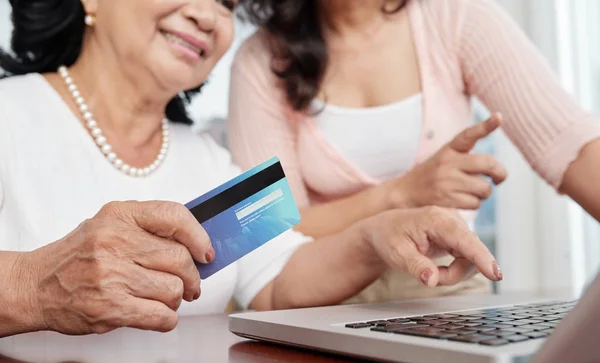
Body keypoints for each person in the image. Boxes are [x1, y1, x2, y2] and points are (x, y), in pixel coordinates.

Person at [0, 0, 500, 338]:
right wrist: (34, 285)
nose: (209, 17)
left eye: (226, 3)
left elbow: (278, 281)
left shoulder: (215, 163)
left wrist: (376, 238)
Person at [228, 0, 600, 304]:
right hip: (321, 299)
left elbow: (571, 147)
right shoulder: (260, 60)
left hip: (446, 288)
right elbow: (268, 232)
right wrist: (401, 193)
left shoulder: (455, 19)